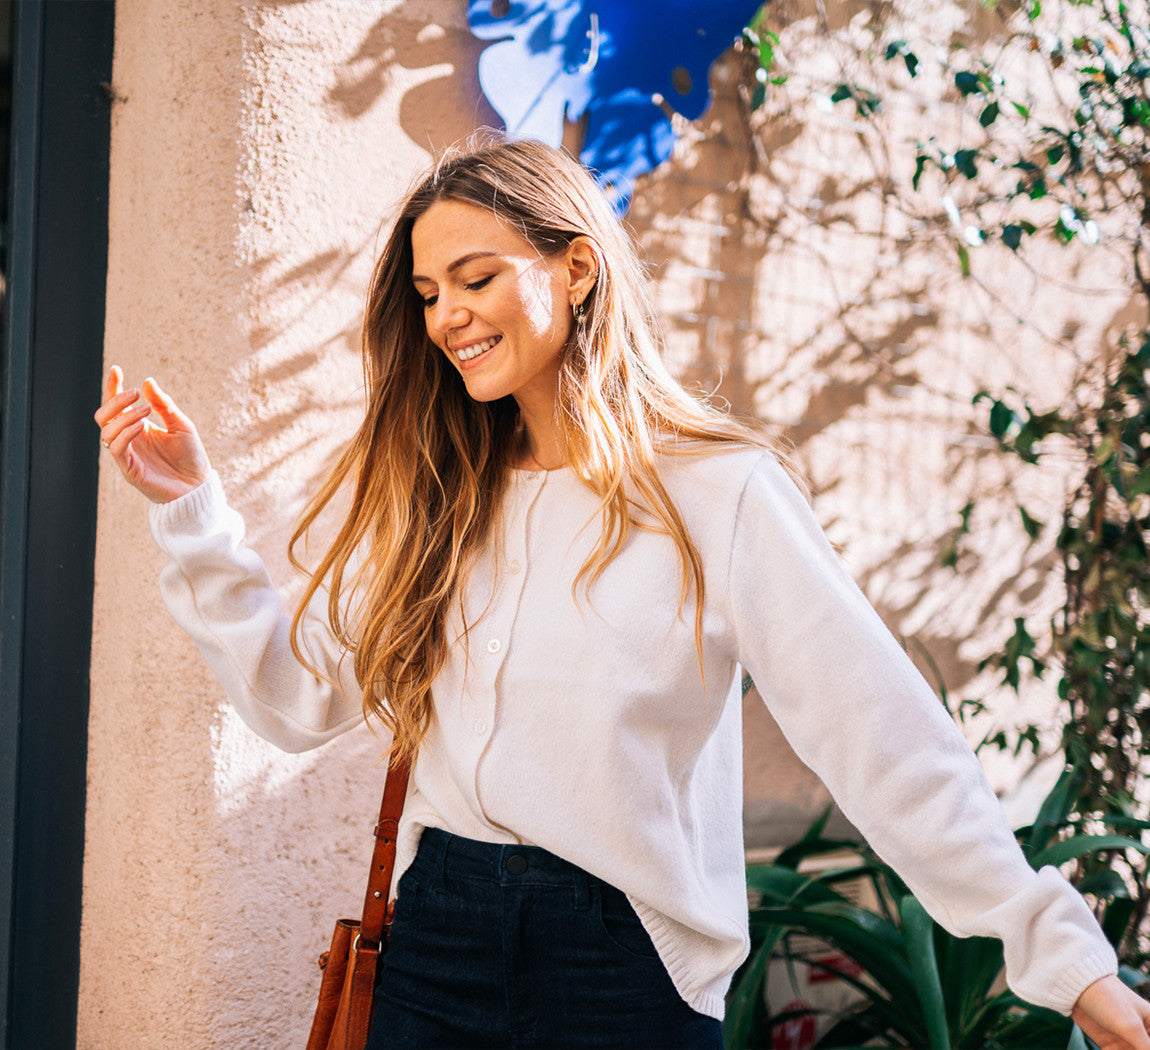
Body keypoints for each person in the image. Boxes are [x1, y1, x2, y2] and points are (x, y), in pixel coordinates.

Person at [96, 137, 1150, 1050]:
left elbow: (881, 734)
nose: (448, 316)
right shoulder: (441, 498)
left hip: (625, 960)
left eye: (474, 278)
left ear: (579, 269)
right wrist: (195, 514)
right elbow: (293, 701)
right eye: (427, 295)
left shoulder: (716, 492)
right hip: (437, 942)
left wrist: (1057, 955)